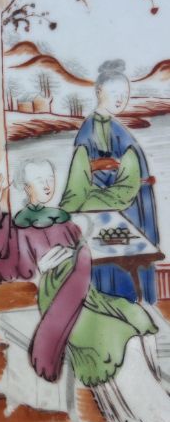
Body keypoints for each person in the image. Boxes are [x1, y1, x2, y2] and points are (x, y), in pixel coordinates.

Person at [0, 160, 170, 422]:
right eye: (39, 180)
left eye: (49, 178)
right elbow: (4, 264)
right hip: (58, 297)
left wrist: (80, 253)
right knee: (119, 337)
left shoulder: (61, 218)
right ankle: (144, 414)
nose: (47, 185)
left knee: (136, 320)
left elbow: (79, 246)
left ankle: (148, 404)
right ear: (26, 187)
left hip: (86, 291)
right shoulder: (21, 225)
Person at [60, 60, 158, 303]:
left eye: (124, 93)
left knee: (130, 262)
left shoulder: (119, 131)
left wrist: (94, 196)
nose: (120, 99)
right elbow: (78, 184)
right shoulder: (88, 131)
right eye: (114, 92)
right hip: (112, 212)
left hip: (133, 207)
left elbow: (130, 182)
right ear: (98, 92)